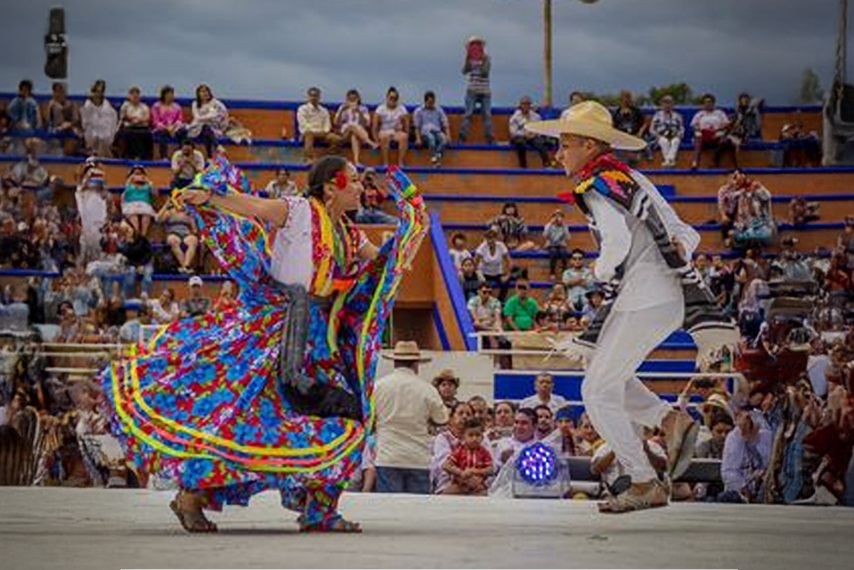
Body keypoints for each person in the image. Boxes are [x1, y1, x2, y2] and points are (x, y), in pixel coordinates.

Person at [101, 155, 428, 532]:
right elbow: (250, 206)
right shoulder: (299, 210)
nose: (360, 187)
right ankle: (191, 497)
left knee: (347, 416)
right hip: (277, 331)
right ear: (330, 186)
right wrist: (208, 198)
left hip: (320, 340)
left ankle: (319, 508)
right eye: (353, 180)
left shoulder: (350, 234)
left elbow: (385, 265)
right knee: (244, 416)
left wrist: (410, 227)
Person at [526, 101, 738, 513]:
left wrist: (601, 272)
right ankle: (667, 419)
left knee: (595, 389)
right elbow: (684, 232)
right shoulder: (632, 179)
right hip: (663, 295)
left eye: (565, 144)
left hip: (644, 296)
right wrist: (682, 251)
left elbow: (617, 242)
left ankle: (643, 480)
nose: (558, 153)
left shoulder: (597, 186)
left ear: (589, 145)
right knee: (607, 375)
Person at [375, 341, 448, 494]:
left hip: (388, 456)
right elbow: (442, 418)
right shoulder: (427, 389)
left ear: (394, 362)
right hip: (418, 458)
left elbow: (370, 418)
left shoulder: (379, 386)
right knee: (416, 513)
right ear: (416, 364)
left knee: (389, 511)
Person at [719, 409, 773, 503]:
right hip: (739, 492)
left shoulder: (766, 436)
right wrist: (743, 488)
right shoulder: (733, 438)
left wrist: (752, 442)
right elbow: (728, 472)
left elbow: (768, 464)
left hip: (764, 488)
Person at [441, 418, 494, 495]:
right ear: (463, 437)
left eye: (477, 435)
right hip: (460, 484)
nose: (474, 438)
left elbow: (491, 469)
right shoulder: (459, 451)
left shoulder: (484, 453)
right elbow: (445, 465)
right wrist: (461, 473)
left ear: (482, 437)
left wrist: (475, 471)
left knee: (484, 494)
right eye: (471, 435)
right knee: (447, 492)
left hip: (477, 485)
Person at [459, 36, 493, 144]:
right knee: (468, 114)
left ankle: (489, 138)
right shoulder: (470, 58)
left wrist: (482, 59)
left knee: (487, 115)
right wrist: (467, 58)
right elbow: (464, 71)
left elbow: (485, 73)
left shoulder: (487, 58)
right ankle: (462, 137)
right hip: (472, 90)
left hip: (485, 91)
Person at [690, 94, 735, 170]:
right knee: (698, 137)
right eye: (706, 102)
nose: (708, 104)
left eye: (710, 102)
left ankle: (715, 160)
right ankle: (695, 162)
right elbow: (693, 126)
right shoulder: (699, 114)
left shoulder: (720, 113)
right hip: (703, 136)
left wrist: (718, 131)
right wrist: (700, 131)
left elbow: (727, 125)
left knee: (727, 141)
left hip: (717, 134)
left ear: (713, 103)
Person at [297, 87, 341, 163]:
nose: (314, 98)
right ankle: (309, 158)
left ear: (319, 97)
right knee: (309, 134)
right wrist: (316, 132)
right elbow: (304, 126)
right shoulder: (302, 109)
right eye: (312, 95)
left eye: (316, 96)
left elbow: (327, 126)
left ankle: (329, 158)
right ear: (308, 97)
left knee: (337, 139)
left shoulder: (324, 110)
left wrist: (323, 132)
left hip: (322, 134)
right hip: (307, 133)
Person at [333, 89, 376, 167]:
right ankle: (370, 142)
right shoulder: (343, 107)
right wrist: (342, 111)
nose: (352, 101)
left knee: (354, 136)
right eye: (350, 99)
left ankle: (356, 162)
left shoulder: (363, 108)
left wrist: (359, 112)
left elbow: (366, 124)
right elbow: (336, 123)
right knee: (352, 126)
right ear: (347, 99)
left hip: (360, 134)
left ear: (358, 99)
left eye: (354, 99)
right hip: (345, 133)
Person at [157, 199, 199, 273]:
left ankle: (186, 266)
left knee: (193, 241)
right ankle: (185, 267)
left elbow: (194, 229)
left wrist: (191, 216)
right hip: (173, 233)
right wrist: (165, 206)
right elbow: (158, 219)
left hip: (186, 234)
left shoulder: (188, 213)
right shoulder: (169, 212)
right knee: (173, 241)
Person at [509, 96, 550, 169]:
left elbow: (540, 129)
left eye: (528, 104)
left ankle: (547, 164)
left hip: (532, 136)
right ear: (520, 105)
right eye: (524, 104)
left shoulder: (536, 116)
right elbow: (513, 132)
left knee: (540, 143)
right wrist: (524, 134)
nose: (526, 106)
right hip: (520, 136)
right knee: (520, 143)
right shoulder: (515, 117)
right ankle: (523, 166)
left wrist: (534, 134)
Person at [373, 87, 409, 167]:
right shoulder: (380, 109)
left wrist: (403, 122)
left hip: (397, 132)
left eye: (395, 98)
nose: (393, 100)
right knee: (384, 137)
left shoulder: (402, 108)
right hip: (384, 131)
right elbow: (374, 127)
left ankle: (400, 162)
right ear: (387, 97)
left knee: (404, 137)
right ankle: (385, 163)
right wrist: (375, 140)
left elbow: (407, 126)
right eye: (391, 98)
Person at [187, 84, 227, 157]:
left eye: (206, 91)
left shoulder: (215, 103)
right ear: (198, 94)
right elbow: (197, 117)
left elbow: (214, 115)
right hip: (196, 128)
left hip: (212, 127)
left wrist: (205, 117)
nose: (205, 93)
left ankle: (211, 155)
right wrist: (206, 117)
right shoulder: (195, 104)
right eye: (202, 92)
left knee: (207, 129)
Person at [80, 82, 118, 157]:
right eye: (96, 92)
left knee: (102, 142)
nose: (98, 94)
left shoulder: (107, 106)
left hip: (105, 134)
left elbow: (111, 122)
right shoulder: (87, 106)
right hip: (91, 133)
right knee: (97, 139)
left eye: (101, 92)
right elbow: (85, 123)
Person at [413, 91, 451, 167]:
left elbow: (445, 124)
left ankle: (436, 156)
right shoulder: (418, 111)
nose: (431, 104)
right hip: (425, 133)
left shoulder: (439, 110)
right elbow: (416, 126)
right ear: (425, 101)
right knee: (431, 139)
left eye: (433, 102)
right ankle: (435, 162)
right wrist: (418, 138)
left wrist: (448, 135)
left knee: (444, 139)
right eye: (430, 102)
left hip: (437, 131)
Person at [116, 86, 153, 160]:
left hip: (142, 127)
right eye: (133, 96)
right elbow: (123, 117)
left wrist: (140, 120)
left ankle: (143, 156)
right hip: (129, 127)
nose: (135, 98)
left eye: (137, 96)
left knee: (146, 134)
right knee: (129, 134)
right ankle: (128, 155)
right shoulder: (125, 106)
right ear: (129, 96)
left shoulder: (144, 106)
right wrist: (131, 119)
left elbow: (147, 118)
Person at [151, 86, 187, 160]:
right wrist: (167, 128)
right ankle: (164, 156)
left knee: (183, 131)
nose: (170, 96)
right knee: (162, 133)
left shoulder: (177, 107)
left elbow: (179, 120)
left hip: (174, 129)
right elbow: (156, 122)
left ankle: (181, 155)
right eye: (168, 94)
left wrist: (173, 128)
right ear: (163, 95)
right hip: (161, 128)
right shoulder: (156, 106)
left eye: (172, 94)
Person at [650, 95, 684, 167]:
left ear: (672, 104)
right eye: (665, 103)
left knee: (676, 141)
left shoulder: (677, 116)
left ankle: (668, 161)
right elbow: (651, 129)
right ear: (661, 104)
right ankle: (671, 161)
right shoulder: (657, 115)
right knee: (664, 141)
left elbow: (681, 128)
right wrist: (657, 136)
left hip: (674, 135)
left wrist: (679, 134)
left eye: (669, 103)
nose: (667, 105)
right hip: (661, 136)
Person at [543, 209, 570, 280]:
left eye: (560, 216)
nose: (558, 218)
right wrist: (550, 224)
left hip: (561, 245)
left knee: (564, 253)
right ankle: (552, 272)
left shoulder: (564, 226)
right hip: (551, 244)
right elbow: (545, 235)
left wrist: (564, 226)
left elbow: (568, 237)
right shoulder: (548, 225)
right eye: (556, 216)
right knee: (553, 253)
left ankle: (565, 271)